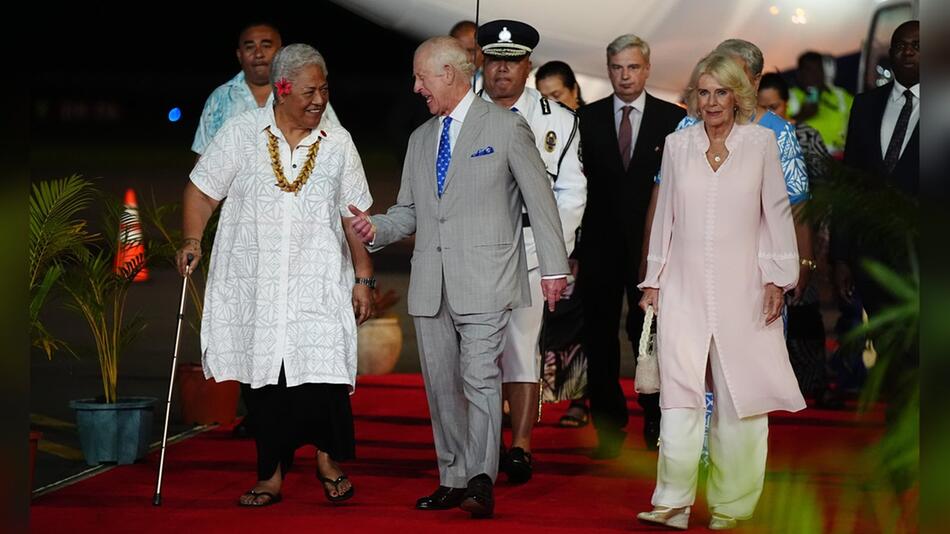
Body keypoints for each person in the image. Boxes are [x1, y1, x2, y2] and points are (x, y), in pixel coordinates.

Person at [347, 36, 570, 518]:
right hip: (431, 283)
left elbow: (541, 202)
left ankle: (480, 477)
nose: (415, 87)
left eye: (420, 77)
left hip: (486, 279)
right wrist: (374, 228)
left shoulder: (506, 128)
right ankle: (451, 476)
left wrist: (555, 268)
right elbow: (408, 212)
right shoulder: (421, 138)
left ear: (449, 73)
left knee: (479, 377)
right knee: (442, 385)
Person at [176, 44, 374, 507]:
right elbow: (202, 192)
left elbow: (355, 215)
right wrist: (191, 240)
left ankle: (328, 459)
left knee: (324, 371)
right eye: (309, 91)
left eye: (325, 89)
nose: (319, 100)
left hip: (319, 281)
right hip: (255, 284)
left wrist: (363, 276)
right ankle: (270, 475)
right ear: (282, 89)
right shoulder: (241, 134)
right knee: (265, 381)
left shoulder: (338, 142)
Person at [636, 52, 806, 531]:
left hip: (746, 288)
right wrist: (653, 280)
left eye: (721, 92)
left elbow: (778, 214)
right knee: (680, 394)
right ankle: (671, 502)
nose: (711, 102)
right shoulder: (676, 145)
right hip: (682, 287)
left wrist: (778, 277)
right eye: (704, 92)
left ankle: (733, 506)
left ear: (739, 95)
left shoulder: (761, 144)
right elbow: (664, 216)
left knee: (740, 397)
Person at [477, 19, 587, 483]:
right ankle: (478, 446)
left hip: (529, 246)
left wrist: (552, 260)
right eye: (495, 61)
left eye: (513, 62)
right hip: (474, 244)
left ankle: (519, 446)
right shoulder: (460, 114)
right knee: (475, 350)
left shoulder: (556, 120)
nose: (503, 71)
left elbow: (572, 193)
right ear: (482, 63)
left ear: (529, 65)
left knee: (521, 347)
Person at [576, 34, 685, 458]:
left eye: (633, 67)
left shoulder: (672, 119)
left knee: (649, 334)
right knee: (598, 336)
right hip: (599, 247)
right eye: (618, 67)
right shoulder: (587, 119)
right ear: (608, 69)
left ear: (647, 68)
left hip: (652, 248)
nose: (625, 76)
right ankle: (607, 424)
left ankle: (655, 415)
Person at [758, 72, 834, 401]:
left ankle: (811, 381)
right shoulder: (748, 135)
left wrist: (819, 239)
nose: (768, 113)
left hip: (802, 234)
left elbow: (824, 191)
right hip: (761, 243)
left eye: (773, 106)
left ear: (787, 104)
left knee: (803, 310)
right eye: (762, 107)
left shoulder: (804, 136)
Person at [535, 60, 590, 428]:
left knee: (578, 322)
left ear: (574, 92)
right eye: (543, 97)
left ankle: (579, 399)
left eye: (556, 95)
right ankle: (536, 392)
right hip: (545, 238)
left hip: (583, 239)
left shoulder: (587, 127)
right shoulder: (535, 126)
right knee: (546, 321)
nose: (551, 103)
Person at [192, 22, 340, 157]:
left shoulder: (306, 96)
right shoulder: (220, 98)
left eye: (266, 46)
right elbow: (203, 159)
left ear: (281, 52)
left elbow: (335, 143)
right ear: (239, 55)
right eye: (250, 47)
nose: (258, 54)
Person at [787, 51, 853, 155]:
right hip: (808, 161)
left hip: (842, 158)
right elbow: (777, 130)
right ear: (799, 74)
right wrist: (802, 115)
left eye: (818, 70)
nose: (814, 75)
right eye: (809, 70)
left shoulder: (840, 95)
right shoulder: (789, 97)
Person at [450, 20, 485, 92]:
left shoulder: (495, 83)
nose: (466, 57)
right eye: (459, 51)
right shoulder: (435, 80)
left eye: (471, 51)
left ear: (483, 52)